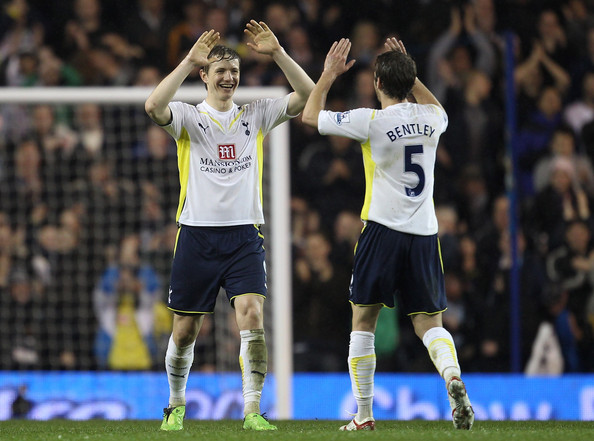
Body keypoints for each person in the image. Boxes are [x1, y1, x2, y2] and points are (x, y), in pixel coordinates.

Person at [145, 20, 314, 431]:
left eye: (234, 71)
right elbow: (153, 107)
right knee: (185, 332)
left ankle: (253, 410)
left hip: (244, 237)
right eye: (220, 70)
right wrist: (187, 60)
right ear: (205, 75)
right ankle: (176, 405)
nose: (228, 77)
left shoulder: (254, 115)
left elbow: (310, 96)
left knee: (252, 317)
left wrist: (277, 54)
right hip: (196, 234)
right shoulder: (186, 117)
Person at [302, 37, 474, 430]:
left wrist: (328, 75)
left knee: (363, 321)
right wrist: (410, 74)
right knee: (430, 324)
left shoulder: (371, 121)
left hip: (381, 231)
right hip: (424, 234)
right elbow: (437, 107)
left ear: (377, 83)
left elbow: (311, 117)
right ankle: (451, 376)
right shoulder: (433, 120)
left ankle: (363, 416)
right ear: (411, 81)